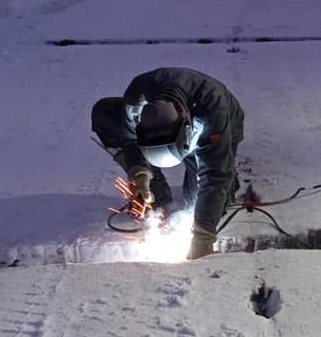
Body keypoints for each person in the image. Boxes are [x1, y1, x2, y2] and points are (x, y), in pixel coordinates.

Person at [91, 67, 245, 260]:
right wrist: (140, 175)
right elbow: (130, 140)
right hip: (177, 124)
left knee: (202, 200)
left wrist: (203, 236)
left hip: (221, 126)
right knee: (104, 113)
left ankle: (230, 182)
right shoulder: (134, 103)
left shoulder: (212, 107)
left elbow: (214, 176)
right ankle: (157, 194)